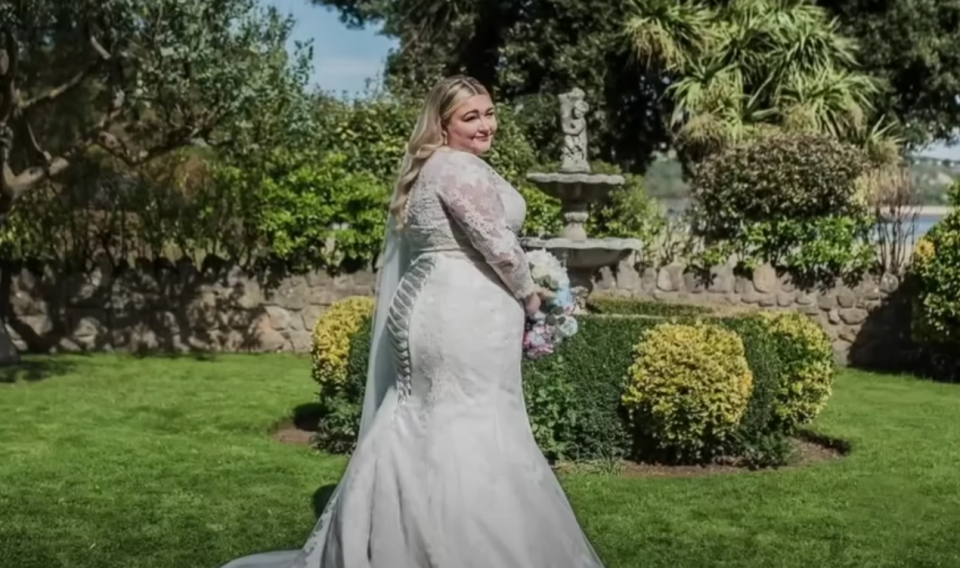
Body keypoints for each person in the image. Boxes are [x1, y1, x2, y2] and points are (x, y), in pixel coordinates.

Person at [219, 75, 606, 568]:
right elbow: (499, 246)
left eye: (488, 113)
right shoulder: (458, 167)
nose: (486, 125)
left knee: (418, 417)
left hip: (437, 303)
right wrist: (533, 298)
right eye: (471, 117)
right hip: (462, 313)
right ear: (443, 125)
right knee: (470, 424)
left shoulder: (434, 167)